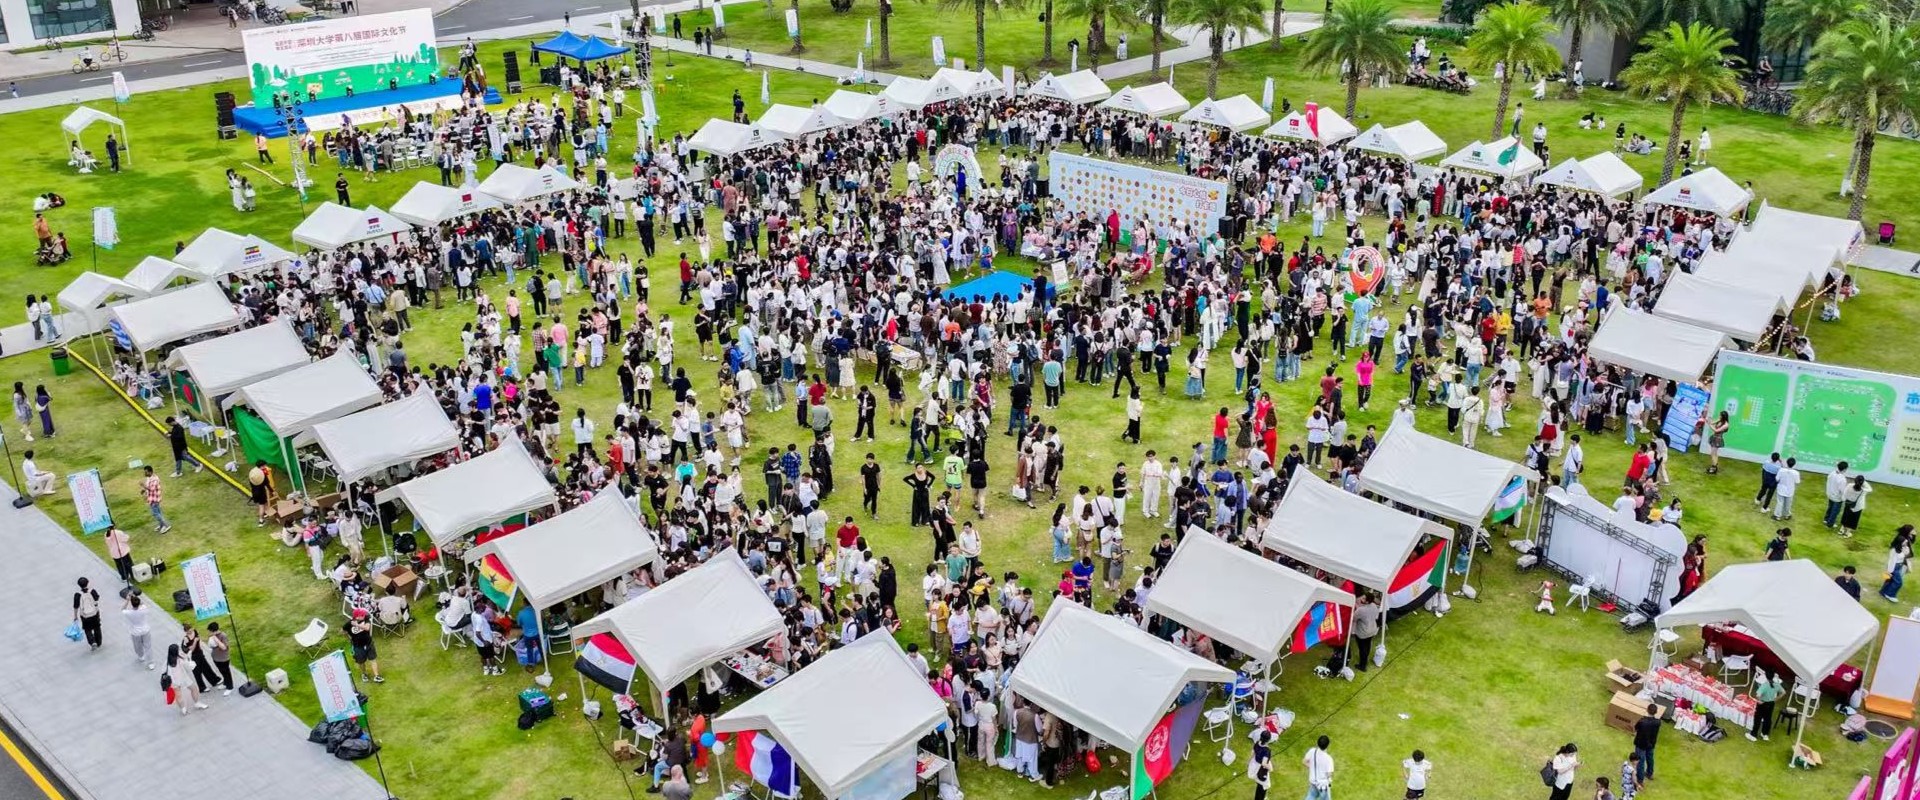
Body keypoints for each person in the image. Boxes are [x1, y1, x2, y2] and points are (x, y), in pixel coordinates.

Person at [347, 608, 385, 683]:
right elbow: (343, 631)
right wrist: (349, 638)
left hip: (369, 643)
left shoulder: (366, 618)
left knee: (373, 659)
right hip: (358, 646)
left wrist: (357, 625)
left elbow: (367, 628)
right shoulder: (349, 624)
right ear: (357, 617)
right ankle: (364, 674)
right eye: (362, 615)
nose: (364, 615)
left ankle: (377, 676)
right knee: (361, 662)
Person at [1881, 525, 1914, 602]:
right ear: (1900, 543)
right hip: (1894, 567)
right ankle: (1890, 594)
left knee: (1890, 581)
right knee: (1898, 582)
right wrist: (1889, 571)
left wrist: (1905, 552)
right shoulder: (1894, 551)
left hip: (1898, 566)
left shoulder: (1902, 548)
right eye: (1904, 543)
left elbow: (1906, 553)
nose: (1906, 543)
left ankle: (1883, 592)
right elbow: (1892, 561)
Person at [1748, 673, 1783, 740]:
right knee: (1768, 718)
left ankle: (1753, 735)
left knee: (1758, 719)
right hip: (1771, 703)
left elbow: (1758, 695)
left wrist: (1759, 700)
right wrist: (1775, 699)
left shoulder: (1765, 685)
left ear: (1766, 676)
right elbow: (1783, 692)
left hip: (1763, 703)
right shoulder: (1776, 684)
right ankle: (1765, 734)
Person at [1351, 594, 1381, 671]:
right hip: (1372, 629)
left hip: (1363, 632)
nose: (1362, 599)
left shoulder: (1361, 610)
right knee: (1367, 645)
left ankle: (1362, 665)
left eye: (1364, 598)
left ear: (1367, 601)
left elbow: (1354, 618)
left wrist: (1357, 609)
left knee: (1362, 648)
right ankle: (1365, 659)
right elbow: (1376, 616)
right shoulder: (1374, 605)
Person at [124, 592, 154, 670]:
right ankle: (150, 663)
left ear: (131, 604)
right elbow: (142, 603)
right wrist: (135, 597)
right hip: (145, 630)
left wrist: (127, 600)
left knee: (137, 645)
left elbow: (123, 609)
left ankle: (141, 656)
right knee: (148, 646)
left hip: (135, 632)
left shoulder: (129, 613)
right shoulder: (143, 609)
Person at [72, 577, 103, 650]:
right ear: (87, 583)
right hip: (94, 613)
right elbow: (97, 598)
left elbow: (76, 606)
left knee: (87, 629)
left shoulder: (78, 594)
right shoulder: (92, 591)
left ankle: (92, 642)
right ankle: (98, 642)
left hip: (85, 615)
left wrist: (75, 616)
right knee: (97, 627)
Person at [1630, 706, 1658, 784]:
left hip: (1641, 744)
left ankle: (1640, 780)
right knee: (1650, 759)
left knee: (1640, 761)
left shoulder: (1642, 721)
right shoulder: (1658, 722)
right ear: (1656, 712)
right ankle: (1650, 773)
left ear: (1647, 710)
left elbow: (1635, 729)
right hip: (1651, 744)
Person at [1302, 735, 1334, 800]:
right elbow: (1329, 774)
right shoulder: (1329, 759)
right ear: (1328, 745)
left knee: (1311, 796)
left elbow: (1304, 761)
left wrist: (1312, 767)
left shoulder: (1312, 751)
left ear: (1317, 743)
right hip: (1323, 785)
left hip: (1313, 782)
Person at [142, 465, 171, 533]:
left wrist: (143, 486)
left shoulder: (155, 479)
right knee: (158, 513)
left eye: (146, 472)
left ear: (150, 472)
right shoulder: (149, 478)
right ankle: (161, 525)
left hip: (154, 499)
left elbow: (151, 489)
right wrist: (144, 490)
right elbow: (148, 487)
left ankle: (166, 525)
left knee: (156, 514)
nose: (145, 473)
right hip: (151, 498)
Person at [1824, 461, 1853, 529]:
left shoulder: (1832, 473)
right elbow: (1843, 490)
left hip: (1830, 494)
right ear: (1844, 469)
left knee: (1830, 507)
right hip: (1837, 497)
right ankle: (1830, 523)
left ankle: (1826, 519)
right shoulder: (1842, 479)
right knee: (1835, 511)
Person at [248, 460, 274, 525]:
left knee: (263, 504)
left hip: (254, 492)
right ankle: (261, 521)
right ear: (262, 466)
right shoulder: (262, 475)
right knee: (261, 506)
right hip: (261, 493)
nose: (265, 466)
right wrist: (272, 491)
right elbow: (267, 485)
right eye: (264, 465)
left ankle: (265, 513)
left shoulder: (253, 475)